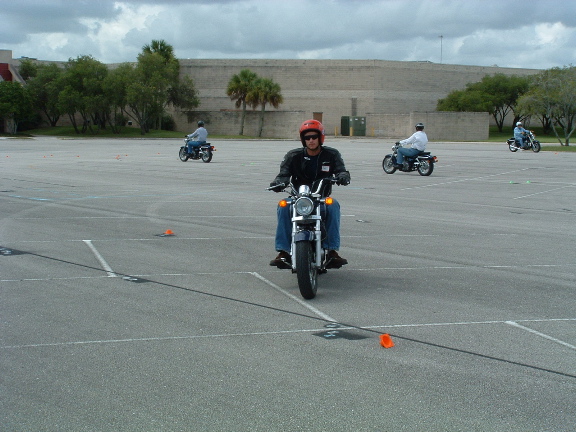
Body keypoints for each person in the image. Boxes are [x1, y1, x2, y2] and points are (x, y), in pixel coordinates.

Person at [269, 119, 351, 269]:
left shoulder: (331, 154)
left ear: (320, 137)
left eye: (314, 137)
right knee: (283, 206)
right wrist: (278, 182)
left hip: (321, 199)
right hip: (298, 199)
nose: (311, 140)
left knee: (333, 205)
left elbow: (341, 170)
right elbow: (283, 174)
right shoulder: (293, 155)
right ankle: (283, 252)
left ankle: (332, 251)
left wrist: (343, 176)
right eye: (307, 137)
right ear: (303, 139)